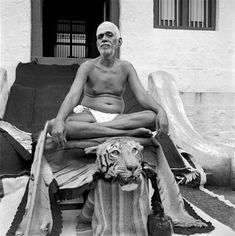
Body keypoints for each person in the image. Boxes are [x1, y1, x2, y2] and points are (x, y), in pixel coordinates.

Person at [50, 21, 168, 147]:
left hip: (117, 119)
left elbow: (142, 95)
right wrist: (59, 119)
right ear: (97, 43)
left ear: (119, 42)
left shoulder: (126, 67)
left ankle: (99, 131)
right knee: (53, 124)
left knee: (153, 117)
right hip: (89, 117)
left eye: (109, 35)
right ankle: (128, 133)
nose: (104, 39)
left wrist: (161, 111)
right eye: (100, 37)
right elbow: (73, 95)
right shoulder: (87, 66)